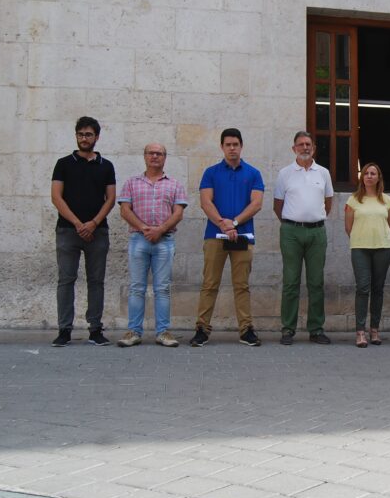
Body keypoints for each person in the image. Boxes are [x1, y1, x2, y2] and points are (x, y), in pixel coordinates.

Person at [190, 128, 264, 347]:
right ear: (222, 147)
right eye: (228, 144)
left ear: (241, 146)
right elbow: (206, 202)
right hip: (215, 235)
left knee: (241, 285)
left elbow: (256, 203)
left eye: (236, 144)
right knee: (210, 284)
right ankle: (202, 329)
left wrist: (234, 223)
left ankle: (246, 330)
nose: (232, 148)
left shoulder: (253, 173)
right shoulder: (211, 173)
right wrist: (224, 223)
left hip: (242, 235)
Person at [50, 116, 116, 347]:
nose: (84, 138)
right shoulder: (63, 163)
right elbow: (56, 197)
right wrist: (79, 224)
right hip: (68, 231)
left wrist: (93, 223)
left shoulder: (106, 166)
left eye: (88, 134)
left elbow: (111, 198)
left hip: (97, 232)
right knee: (66, 279)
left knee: (96, 281)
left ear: (97, 137)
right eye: (80, 134)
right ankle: (64, 329)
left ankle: (95, 329)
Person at [116, 144, 188, 348]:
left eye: (159, 153)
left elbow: (178, 213)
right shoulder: (132, 183)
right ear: (144, 156)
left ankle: (163, 332)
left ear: (165, 157)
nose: (155, 156)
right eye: (151, 153)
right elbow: (125, 210)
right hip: (139, 239)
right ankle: (134, 332)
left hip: (164, 240)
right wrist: (145, 228)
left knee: (162, 288)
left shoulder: (174, 184)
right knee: (137, 287)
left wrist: (160, 229)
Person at [274, 131, 334, 345]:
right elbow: (277, 205)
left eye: (308, 144)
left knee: (316, 282)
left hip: (317, 232)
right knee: (291, 281)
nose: (305, 148)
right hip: (291, 232)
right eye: (300, 144)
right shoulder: (285, 174)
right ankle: (288, 329)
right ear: (294, 149)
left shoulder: (323, 173)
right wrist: (293, 222)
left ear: (314, 148)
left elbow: (328, 202)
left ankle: (316, 329)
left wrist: (313, 219)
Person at [345, 163, 390, 347]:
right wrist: (362, 237)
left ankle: (374, 330)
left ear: (378, 177)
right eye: (366, 173)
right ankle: (360, 332)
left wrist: (379, 237)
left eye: (373, 173)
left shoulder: (387, 201)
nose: (369, 176)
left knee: (378, 288)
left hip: (383, 247)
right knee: (363, 287)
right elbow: (348, 227)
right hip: (360, 248)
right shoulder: (353, 200)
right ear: (362, 177)